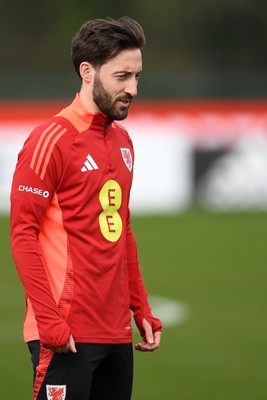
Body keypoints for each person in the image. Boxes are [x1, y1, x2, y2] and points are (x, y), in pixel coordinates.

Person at [10, 16, 162, 400]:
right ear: (87, 71)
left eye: (137, 76)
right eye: (122, 76)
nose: (133, 88)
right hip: (66, 335)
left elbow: (122, 230)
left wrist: (141, 308)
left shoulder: (124, 141)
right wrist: (49, 321)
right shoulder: (51, 140)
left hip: (116, 335)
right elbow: (22, 234)